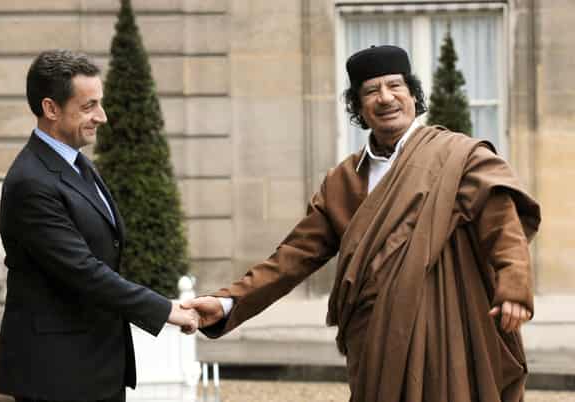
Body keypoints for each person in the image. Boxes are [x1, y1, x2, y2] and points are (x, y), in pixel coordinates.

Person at [183, 45, 541, 402]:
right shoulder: (343, 181)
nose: (385, 98)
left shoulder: (458, 156)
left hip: (448, 329)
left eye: (395, 86)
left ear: (413, 95)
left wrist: (514, 287)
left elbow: (502, 226)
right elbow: (293, 256)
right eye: (371, 91)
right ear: (358, 106)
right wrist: (228, 302)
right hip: (375, 339)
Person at [0, 49, 197, 402]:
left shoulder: (78, 163)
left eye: (99, 104)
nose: (101, 117)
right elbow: (83, 270)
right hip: (57, 376)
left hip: (95, 366)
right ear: (51, 108)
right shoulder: (31, 181)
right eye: (88, 106)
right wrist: (166, 310)